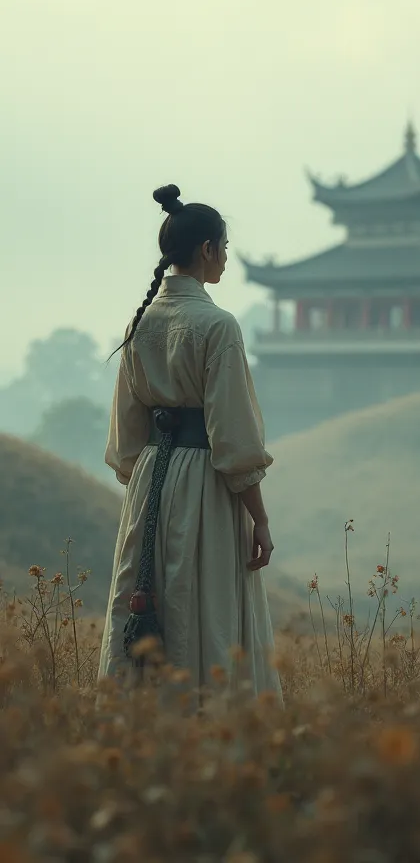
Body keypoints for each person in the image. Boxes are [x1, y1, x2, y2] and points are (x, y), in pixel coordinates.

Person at [98, 184, 282, 702]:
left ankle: (142, 729)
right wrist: (260, 518)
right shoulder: (217, 325)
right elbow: (235, 440)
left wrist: (152, 490)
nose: (224, 258)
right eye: (223, 248)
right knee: (205, 608)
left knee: (147, 598)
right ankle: (209, 730)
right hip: (204, 483)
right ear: (206, 250)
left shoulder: (141, 324)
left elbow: (126, 443)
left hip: (149, 487)